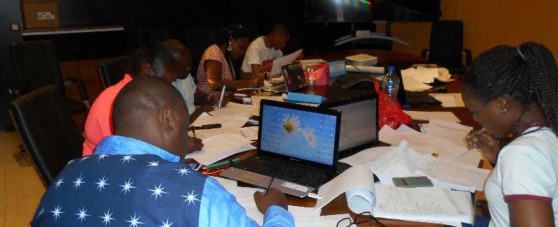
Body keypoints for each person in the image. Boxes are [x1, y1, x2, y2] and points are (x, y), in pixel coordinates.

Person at [31, 77, 294, 226]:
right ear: (168, 118)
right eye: (185, 126)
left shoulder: (65, 176)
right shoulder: (199, 195)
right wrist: (277, 210)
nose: (186, 135)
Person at [464, 42, 558, 226]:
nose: (476, 120)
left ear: (502, 104)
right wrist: (499, 158)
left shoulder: (521, 156)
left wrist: (510, 158)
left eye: (475, 111)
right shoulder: (550, 127)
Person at [82, 43, 181, 156]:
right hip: (104, 165)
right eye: (165, 82)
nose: (168, 89)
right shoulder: (114, 100)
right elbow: (124, 152)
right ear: (147, 70)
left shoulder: (143, 96)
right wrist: (177, 148)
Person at [164, 39, 229, 120]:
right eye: (183, 66)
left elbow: (194, 94)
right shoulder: (162, 85)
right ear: (169, 65)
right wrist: (197, 113)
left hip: (197, 120)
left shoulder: (185, 75)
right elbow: (171, 123)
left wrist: (211, 98)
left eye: (190, 62)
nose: (189, 68)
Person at [196, 24, 262, 95]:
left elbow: (239, 77)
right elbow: (215, 84)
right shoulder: (214, 52)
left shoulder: (228, 58)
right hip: (208, 102)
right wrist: (249, 83)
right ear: (230, 40)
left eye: (245, 50)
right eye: (241, 47)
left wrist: (255, 78)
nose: (243, 52)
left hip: (223, 101)